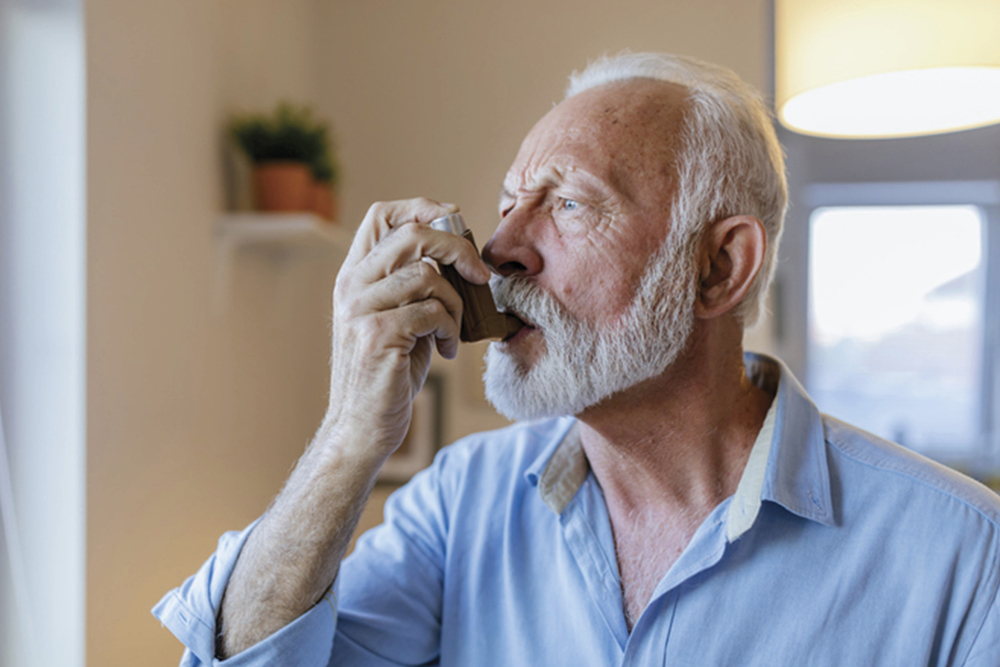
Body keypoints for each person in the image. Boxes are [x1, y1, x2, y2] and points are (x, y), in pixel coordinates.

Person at [154, 53, 1000, 665]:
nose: (500, 249)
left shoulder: (965, 559)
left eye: (568, 204)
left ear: (718, 267)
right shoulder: (459, 506)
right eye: (507, 204)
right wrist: (348, 435)